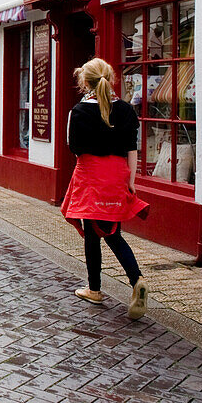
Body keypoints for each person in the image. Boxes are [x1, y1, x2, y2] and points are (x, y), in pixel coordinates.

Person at [62, 58, 150, 320]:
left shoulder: (78, 112)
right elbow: (131, 148)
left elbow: (74, 147)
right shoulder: (125, 110)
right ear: (110, 79)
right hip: (117, 175)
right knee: (113, 231)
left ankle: (99, 287)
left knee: (95, 234)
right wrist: (131, 181)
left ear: (84, 82)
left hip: (91, 177)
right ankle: (134, 283)